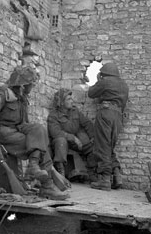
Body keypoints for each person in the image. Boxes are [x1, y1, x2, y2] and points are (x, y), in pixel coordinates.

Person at [0, 66, 68, 200]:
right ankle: (47, 185)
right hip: (4, 134)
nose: (33, 87)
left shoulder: (21, 98)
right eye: (31, 84)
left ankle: (34, 166)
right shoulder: (1, 95)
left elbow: (24, 123)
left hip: (17, 131)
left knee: (39, 130)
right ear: (23, 85)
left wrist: (34, 130)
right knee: (37, 144)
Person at [88, 63, 129, 191]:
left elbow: (91, 93)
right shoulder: (124, 85)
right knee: (109, 146)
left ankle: (105, 180)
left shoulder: (105, 81)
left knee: (102, 146)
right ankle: (117, 174)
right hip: (118, 116)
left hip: (106, 113)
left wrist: (99, 79)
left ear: (104, 73)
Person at [47, 88, 97, 182]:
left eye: (71, 99)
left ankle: (91, 172)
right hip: (62, 143)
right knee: (60, 141)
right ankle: (60, 171)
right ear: (61, 102)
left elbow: (86, 123)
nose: (72, 101)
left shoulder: (75, 111)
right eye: (68, 99)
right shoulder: (53, 115)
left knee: (90, 144)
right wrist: (73, 138)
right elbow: (55, 133)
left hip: (75, 141)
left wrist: (92, 136)